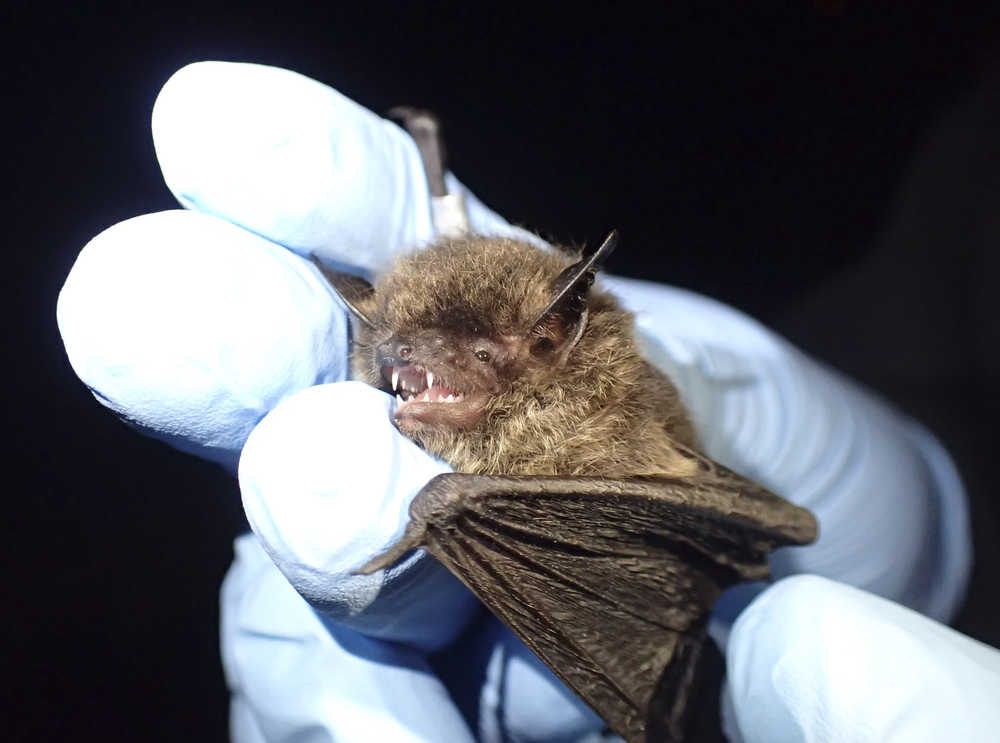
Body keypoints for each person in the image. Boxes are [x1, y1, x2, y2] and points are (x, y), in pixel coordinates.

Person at [56, 61, 1000, 742]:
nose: (415, 377)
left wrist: (955, 528)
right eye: (402, 362)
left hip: (614, 499)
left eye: (454, 361)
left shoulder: (569, 417)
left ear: (544, 346)